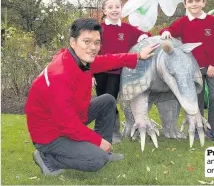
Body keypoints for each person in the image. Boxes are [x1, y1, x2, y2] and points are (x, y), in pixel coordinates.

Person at [25, 18, 159, 176]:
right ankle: (47, 157)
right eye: (87, 41)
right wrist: (98, 141)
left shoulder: (77, 59)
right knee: (96, 161)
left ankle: (103, 152)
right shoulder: (59, 75)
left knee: (108, 101)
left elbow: (107, 60)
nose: (93, 47)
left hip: (69, 116)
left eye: (97, 42)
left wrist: (137, 56)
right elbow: (68, 125)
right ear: (73, 42)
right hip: (49, 134)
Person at [159, 0, 214, 142]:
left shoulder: (211, 21)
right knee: (197, 101)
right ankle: (197, 130)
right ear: (185, 4)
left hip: (211, 68)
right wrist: (166, 32)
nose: (194, 4)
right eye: (190, 1)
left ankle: (212, 131)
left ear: (203, 2)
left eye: (197, 1)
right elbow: (168, 30)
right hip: (193, 70)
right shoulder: (183, 23)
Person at [94, 0, 152, 142]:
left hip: (119, 72)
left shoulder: (127, 29)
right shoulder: (98, 29)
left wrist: (143, 37)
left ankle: (122, 130)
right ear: (104, 11)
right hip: (101, 72)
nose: (114, 10)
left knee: (116, 100)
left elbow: (145, 36)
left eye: (117, 7)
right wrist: (91, 74)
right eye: (110, 7)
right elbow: (91, 51)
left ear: (121, 10)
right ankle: (106, 131)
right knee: (104, 101)